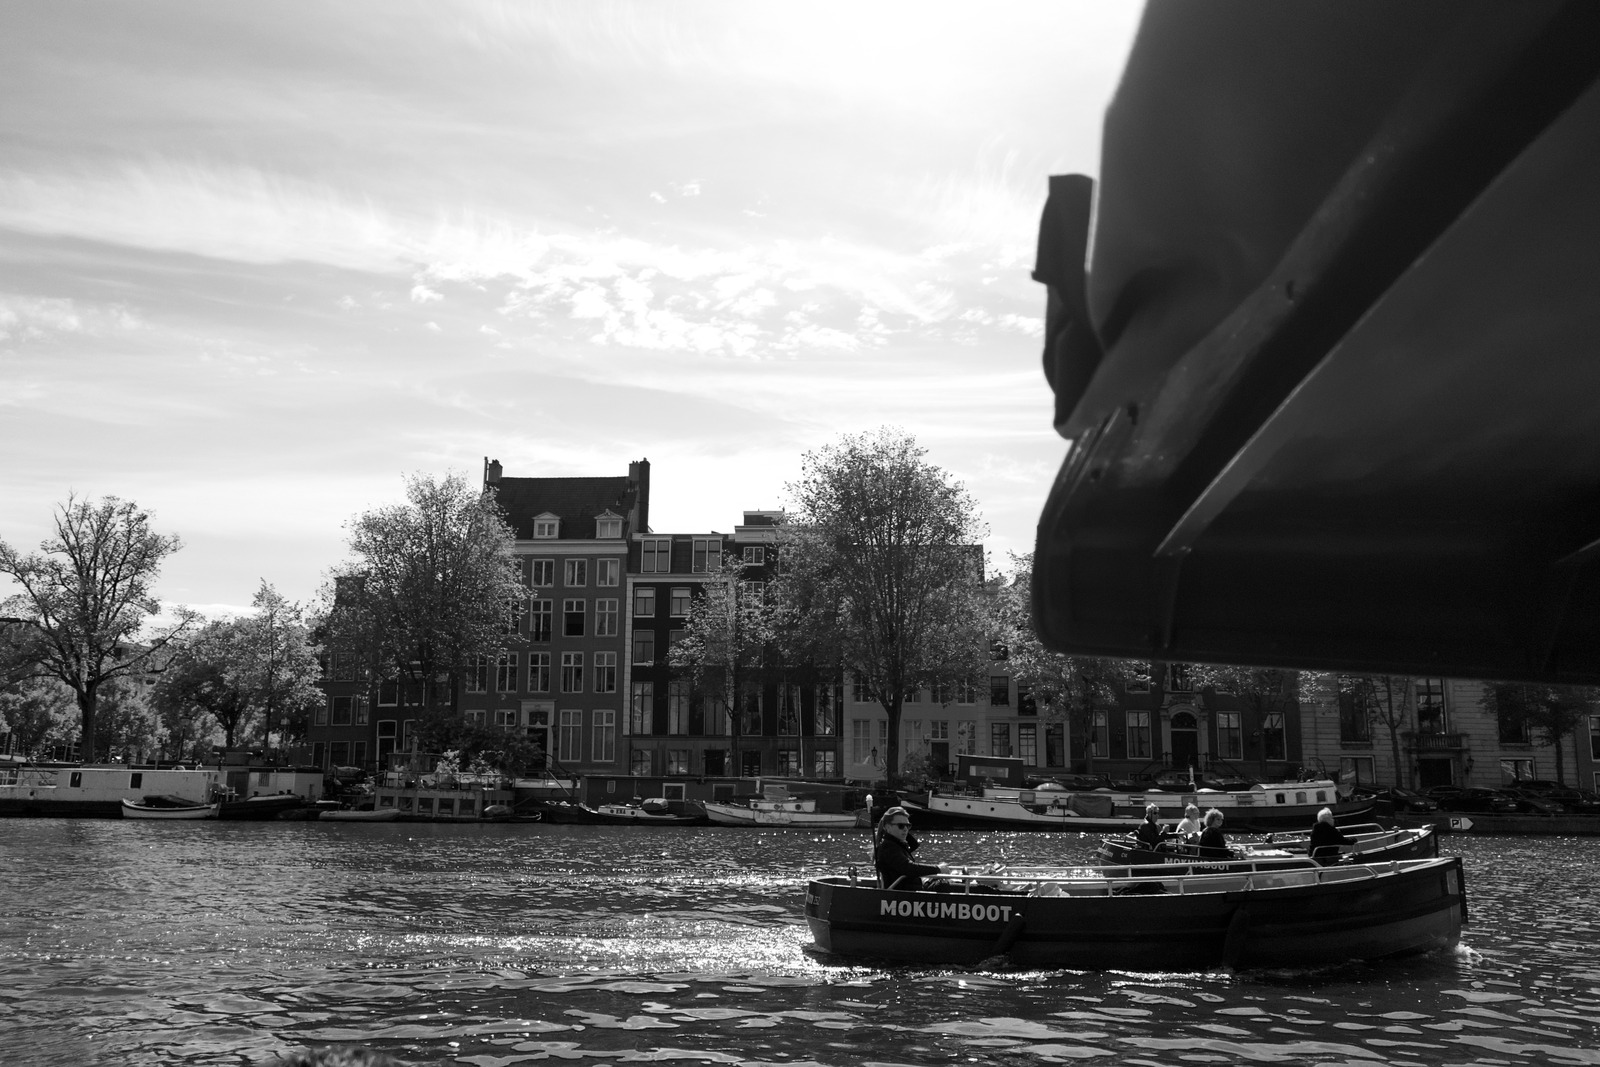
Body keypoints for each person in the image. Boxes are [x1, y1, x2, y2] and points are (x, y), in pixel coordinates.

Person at [873, 806, 945, 891]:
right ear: (888, 827)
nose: (905, 829)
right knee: (943, 885)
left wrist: (903, 831)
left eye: (908, 826)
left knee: (942, 883)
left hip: (910, 890)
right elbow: (907, 867)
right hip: (900, 895)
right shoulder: (888, 848)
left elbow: (913, 845)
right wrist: (938, 869)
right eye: (901, 826)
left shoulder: (897, 845)